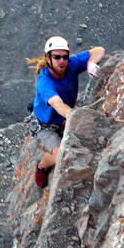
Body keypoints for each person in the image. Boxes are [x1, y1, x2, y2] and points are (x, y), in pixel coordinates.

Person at [27, 36, 105, 188]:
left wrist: (90, 63)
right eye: (56, 57)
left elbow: (99, 50)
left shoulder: (71, 65)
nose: (62, 61)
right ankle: (42, 165)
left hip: (64, 117)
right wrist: (76, 118)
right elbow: (57, 103)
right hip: (46, 125)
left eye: (64, 56)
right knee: (59, 154)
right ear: (48, 58)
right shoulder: (44, 81)